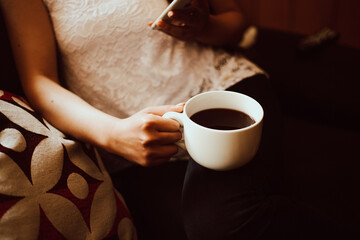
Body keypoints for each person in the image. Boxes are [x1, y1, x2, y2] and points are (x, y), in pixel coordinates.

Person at [0, 0, 343, 239]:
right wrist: (114, 134)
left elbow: (235, 22)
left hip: (220, 95)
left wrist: (203, 25)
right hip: (132, 142)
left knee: (220, 226)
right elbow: (40, 82)